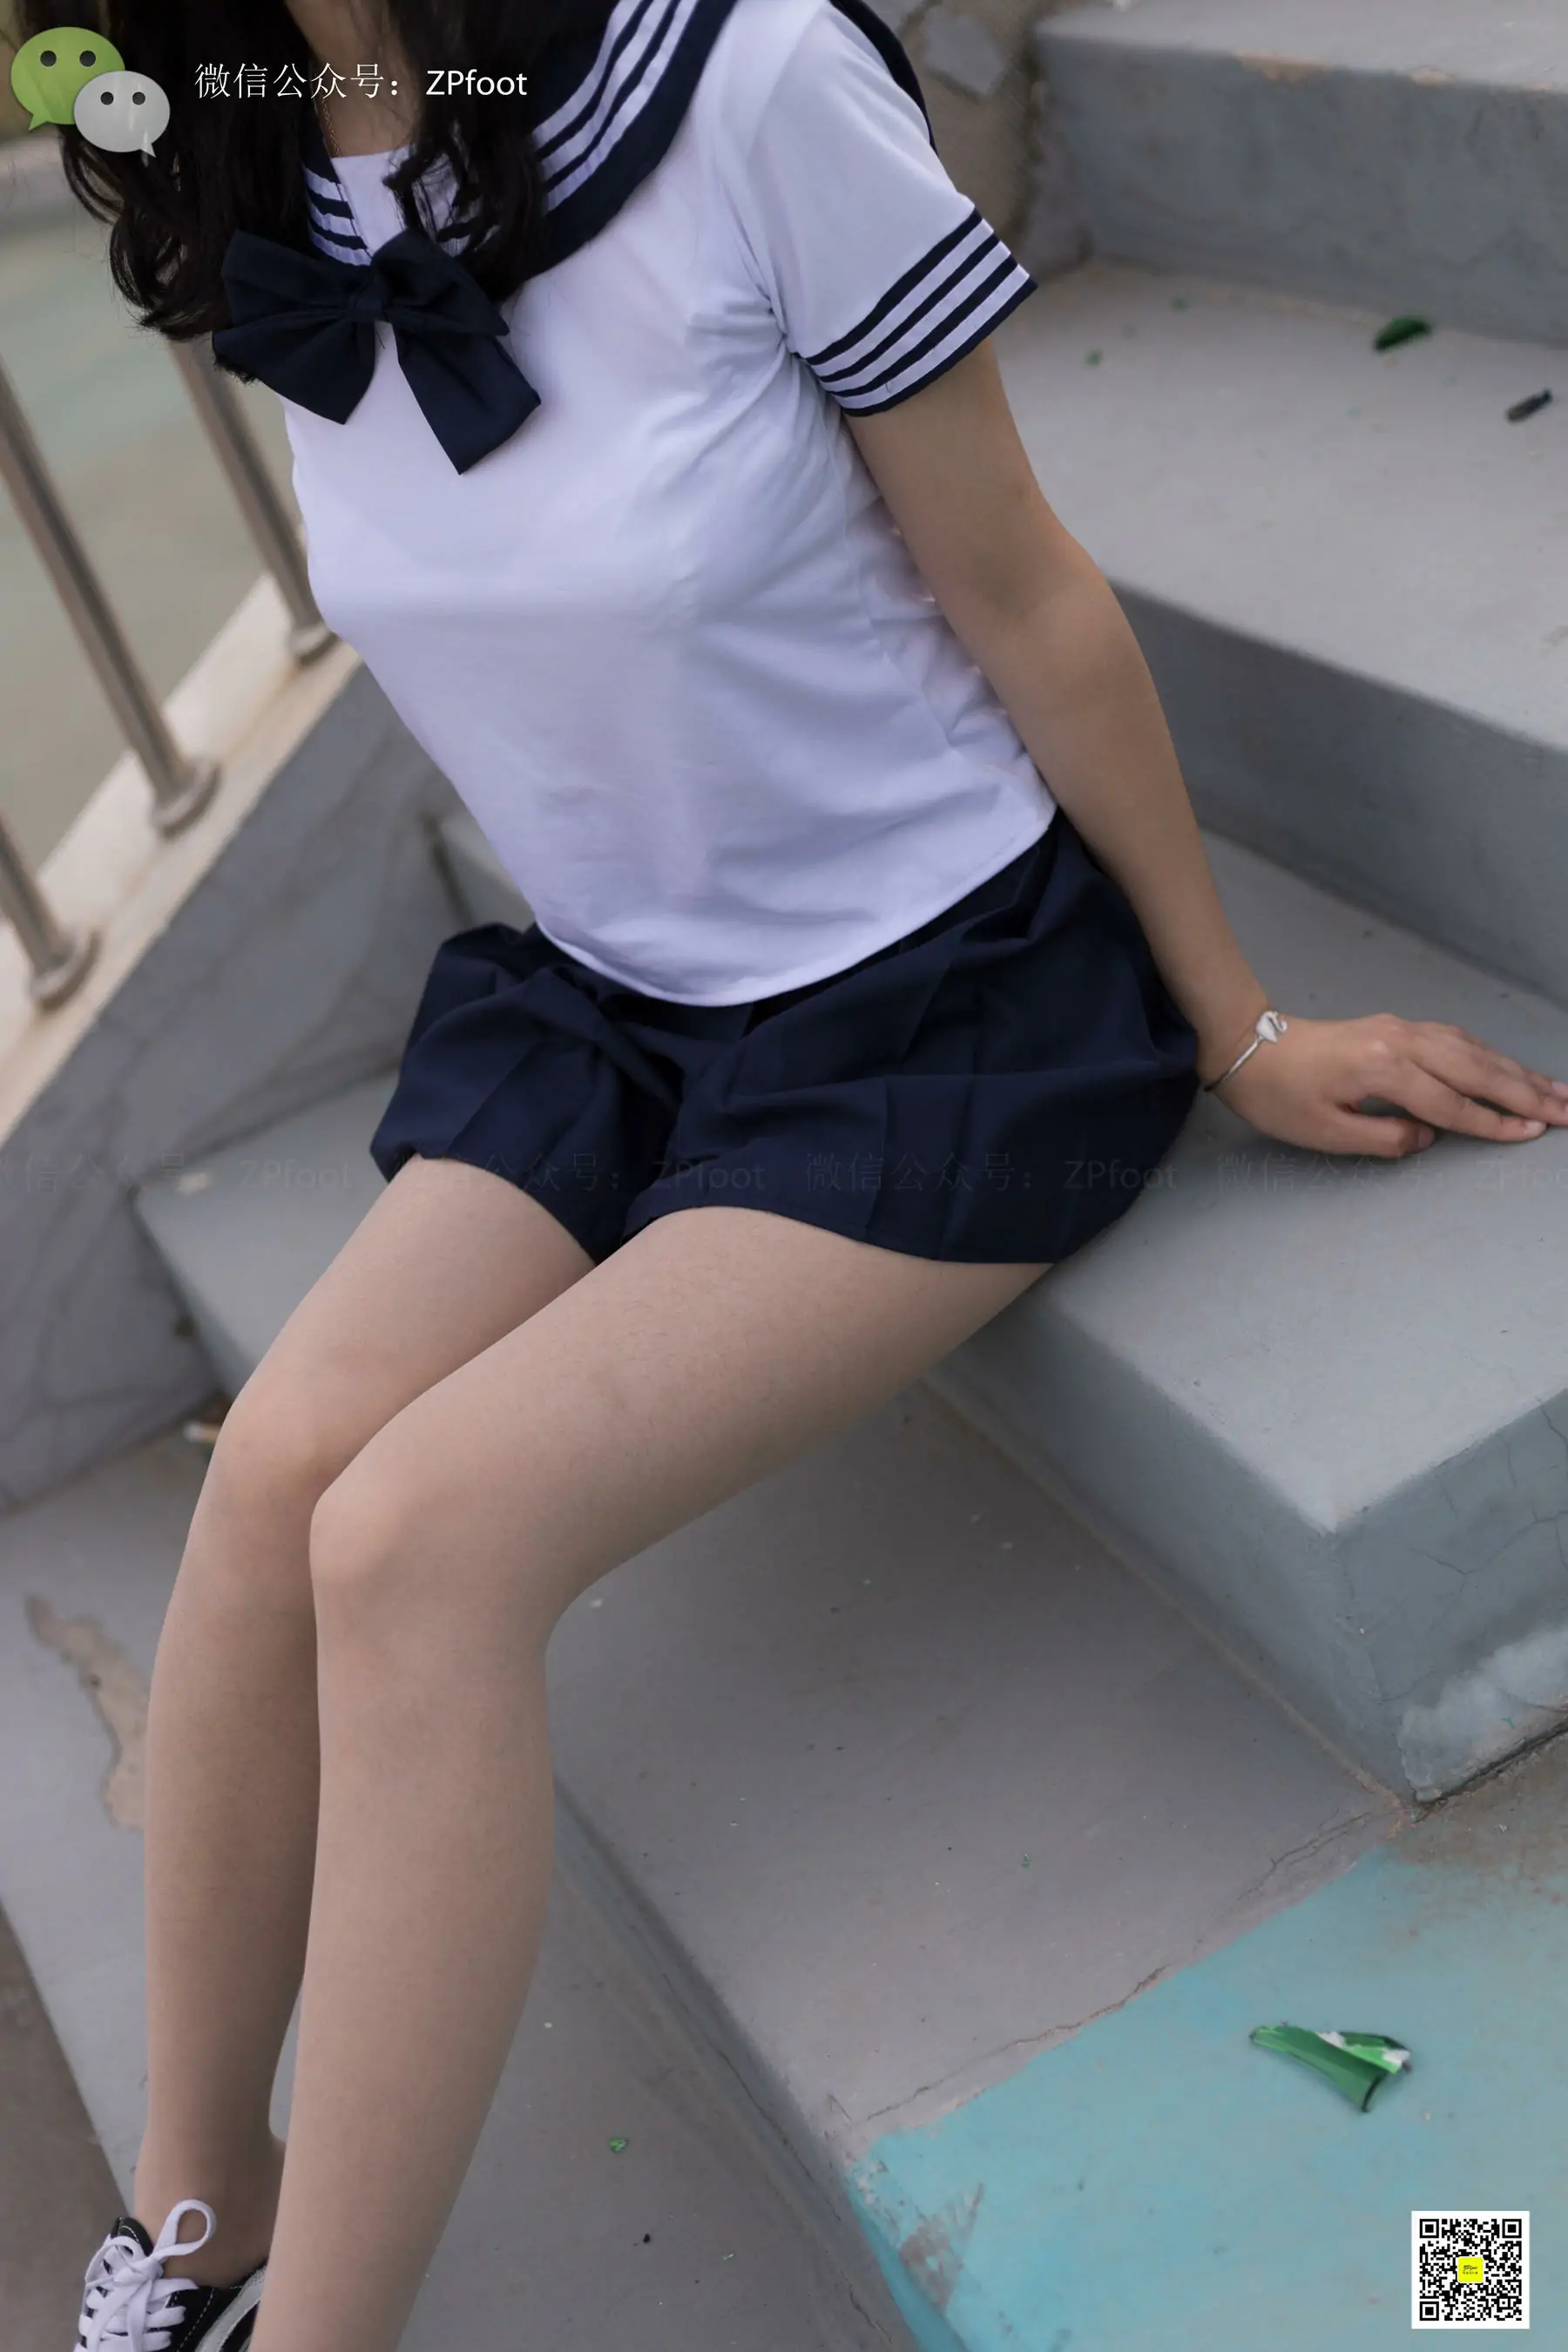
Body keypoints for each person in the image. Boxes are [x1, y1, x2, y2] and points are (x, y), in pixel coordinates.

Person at [44, 0, 1567, 2345]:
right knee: (273, 1490)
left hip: (942, 995)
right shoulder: (246, 149)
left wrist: (1238, 1022)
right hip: (617, 1003)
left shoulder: (748, 78)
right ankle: (195, 2235)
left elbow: (1024, 584)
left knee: (416, 1536)